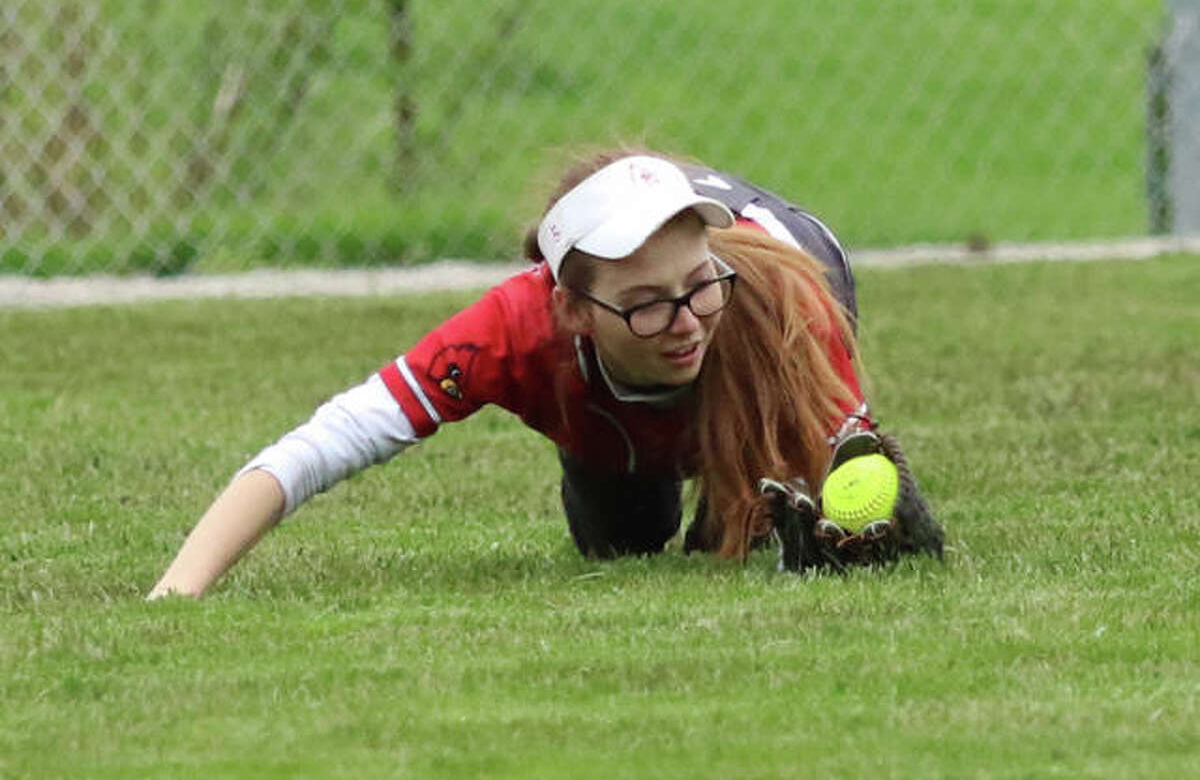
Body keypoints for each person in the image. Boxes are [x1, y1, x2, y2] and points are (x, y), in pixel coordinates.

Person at [148, 150, 942, 599]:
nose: (687, 319)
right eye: (644, 304)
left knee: (757, 516)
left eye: (697, 285)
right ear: (571, 309)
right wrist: (178, 590)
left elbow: (854, 457)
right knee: (623, 541)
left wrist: (855, 493)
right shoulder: (515, 331)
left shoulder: (780, 301)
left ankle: (731, 490)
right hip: (609, 410)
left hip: (787, 286)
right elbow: (327, 442)